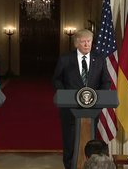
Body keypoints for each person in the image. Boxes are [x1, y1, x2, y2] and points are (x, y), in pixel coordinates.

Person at [53, 29, 111, 169]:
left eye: (89, 41)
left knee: (90, 143)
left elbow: (106, 82)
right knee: (70, 142)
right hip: (70, 110)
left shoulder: (99, 59)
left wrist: (98, 99)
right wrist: (66, 96)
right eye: (83, 41)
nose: (86, 44)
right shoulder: (65, 59)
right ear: (76, 43)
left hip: (92, 110)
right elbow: (56, 79)